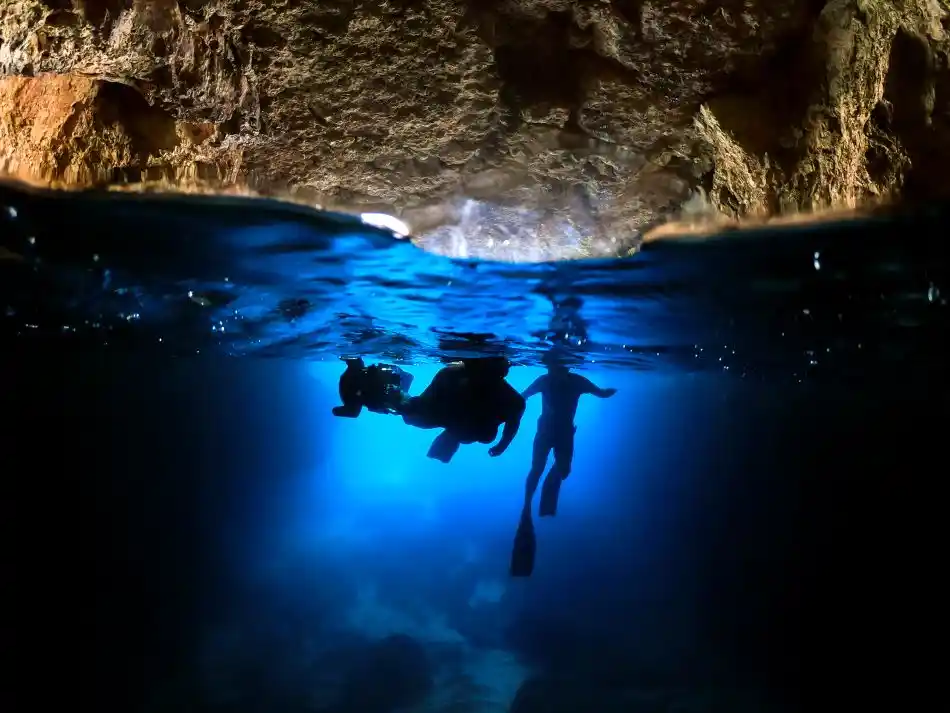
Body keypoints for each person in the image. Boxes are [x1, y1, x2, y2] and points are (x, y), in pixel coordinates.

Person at [509, 355, 615, 578]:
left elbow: (600, 392)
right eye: (550, 367)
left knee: (564, 471)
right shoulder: (544, 380)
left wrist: (607, 392)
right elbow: (523, 396)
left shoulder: (577, 381)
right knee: (536, 469)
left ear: (564, 366)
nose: (552, 370)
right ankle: (526, 509)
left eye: (555, 366)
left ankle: (548, 483)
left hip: (565, 433)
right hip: (545, 432)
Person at [399, 357, 526, 463]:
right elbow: (425, 403)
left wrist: (502, 445)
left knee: (411, 415)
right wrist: (502, 446)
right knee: (411, 415)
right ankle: (399, 392)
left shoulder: (514, 402)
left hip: (455, 414)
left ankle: (401, 394)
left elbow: (512, 425)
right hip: (450, 411)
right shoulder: (449, 375)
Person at [331, 357, 414, 418]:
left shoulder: (355, 371)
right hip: (365, 389)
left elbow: (352, 413)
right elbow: (351, 413)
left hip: (365, 390)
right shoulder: (356, 370)